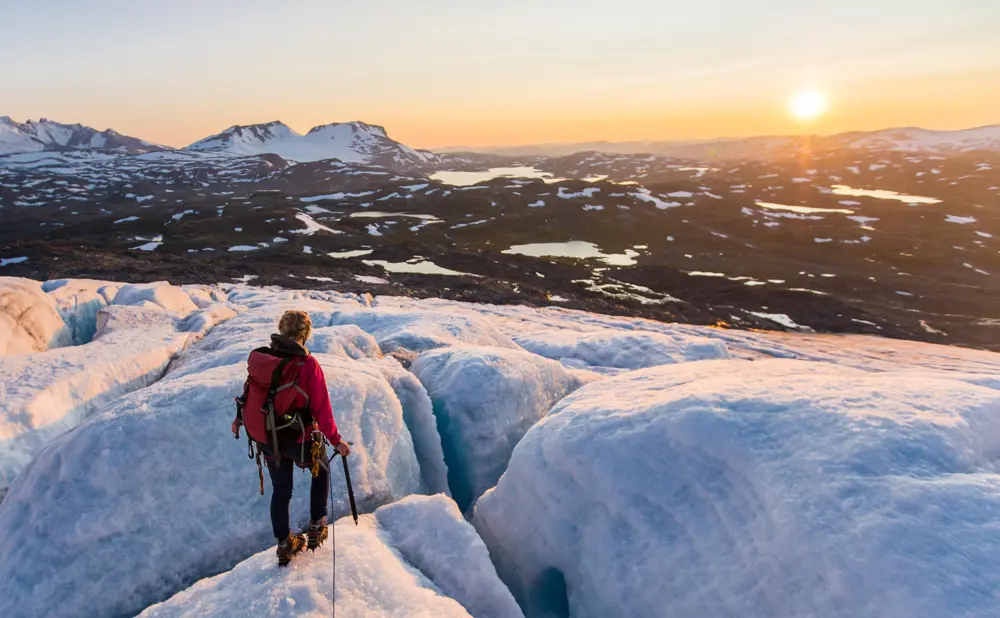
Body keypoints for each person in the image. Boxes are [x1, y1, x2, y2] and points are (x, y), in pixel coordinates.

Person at [232, 310, 351, 566]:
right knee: (322, 469)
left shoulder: (262, 358)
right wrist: (336, 441)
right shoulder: (307, 365)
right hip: (299, 437)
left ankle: (285, 543)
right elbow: (322, 409)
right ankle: (317, 525)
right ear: (305, 334)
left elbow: (249, 393)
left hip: (268, 437)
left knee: (281, 491)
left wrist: (239, 421)